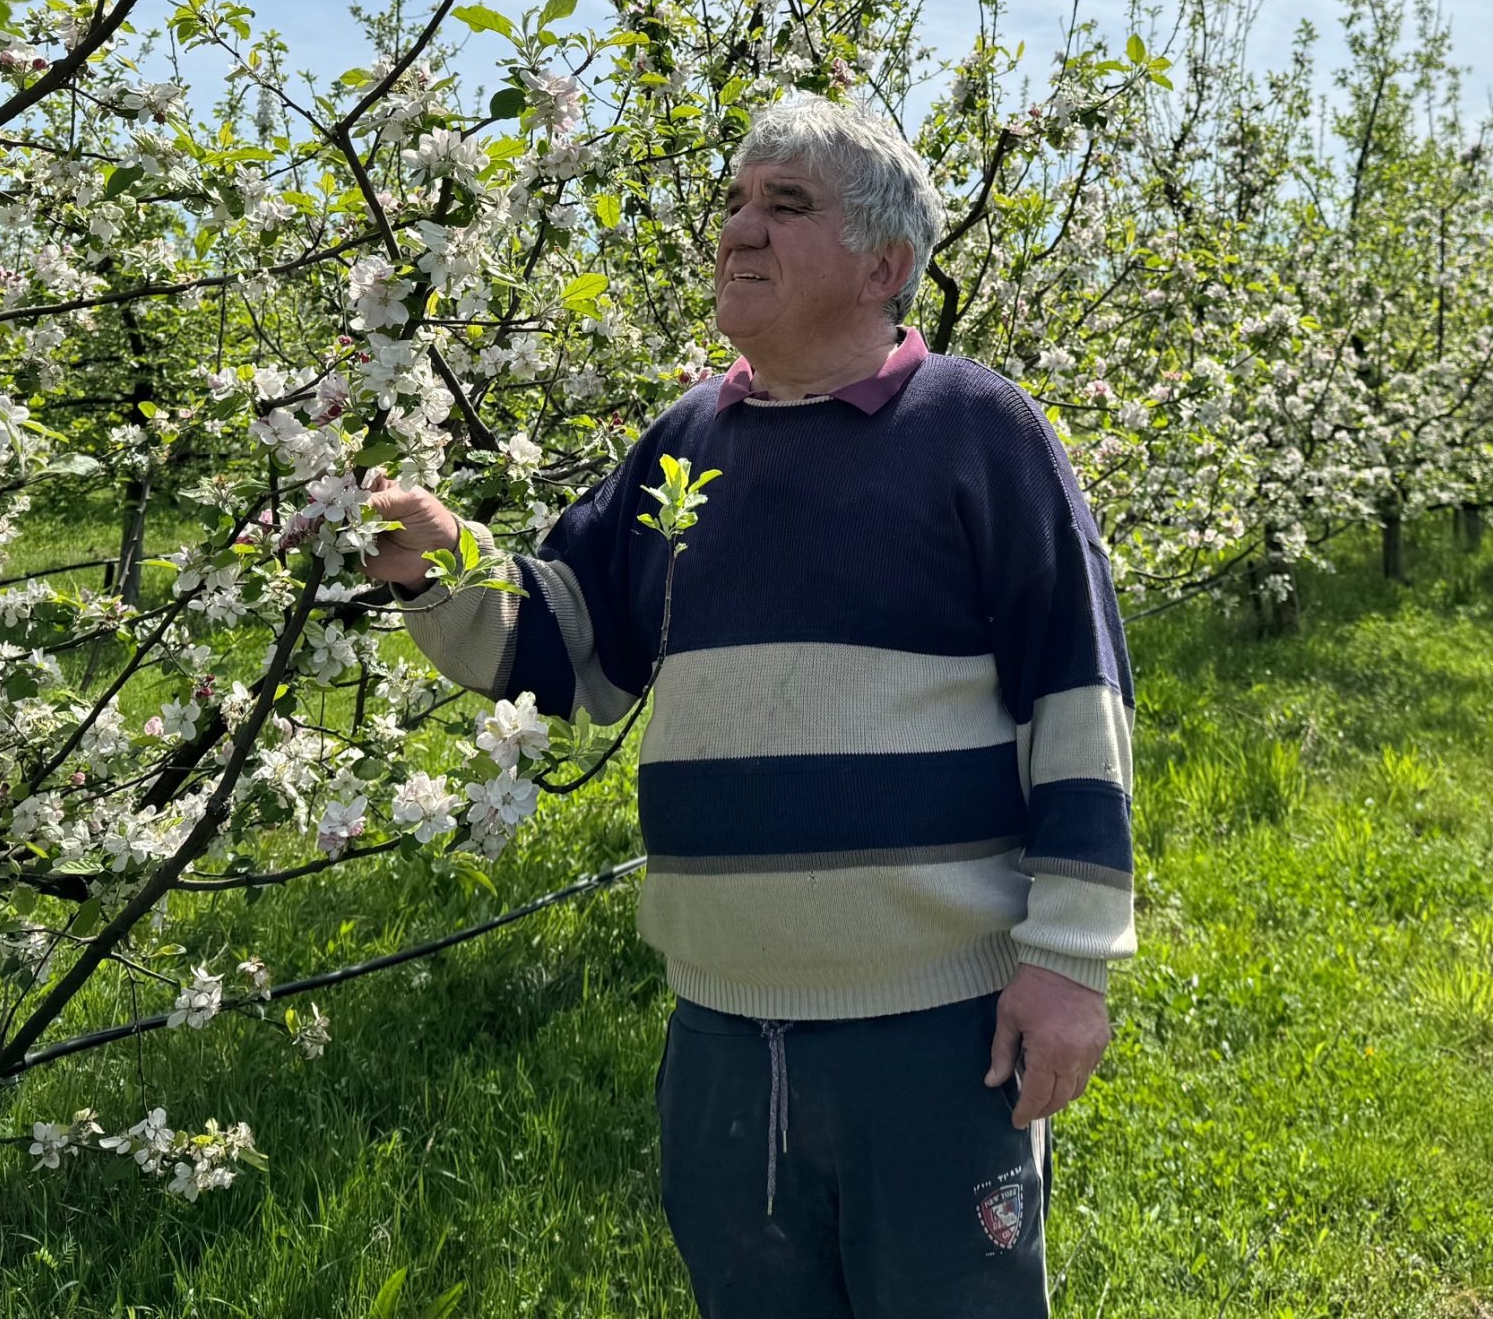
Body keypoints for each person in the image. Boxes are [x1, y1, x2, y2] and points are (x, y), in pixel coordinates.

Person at [363, 94, 1136, 1318]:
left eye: (786, 206)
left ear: (886, 264)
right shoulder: (687, 442)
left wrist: (1068, 965)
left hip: (937, 1032)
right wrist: (439, 560)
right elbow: (574, 652)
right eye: (734, 200)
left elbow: (1076, 695)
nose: (739, 230)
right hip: (719, 1033)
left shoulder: (977, 431)